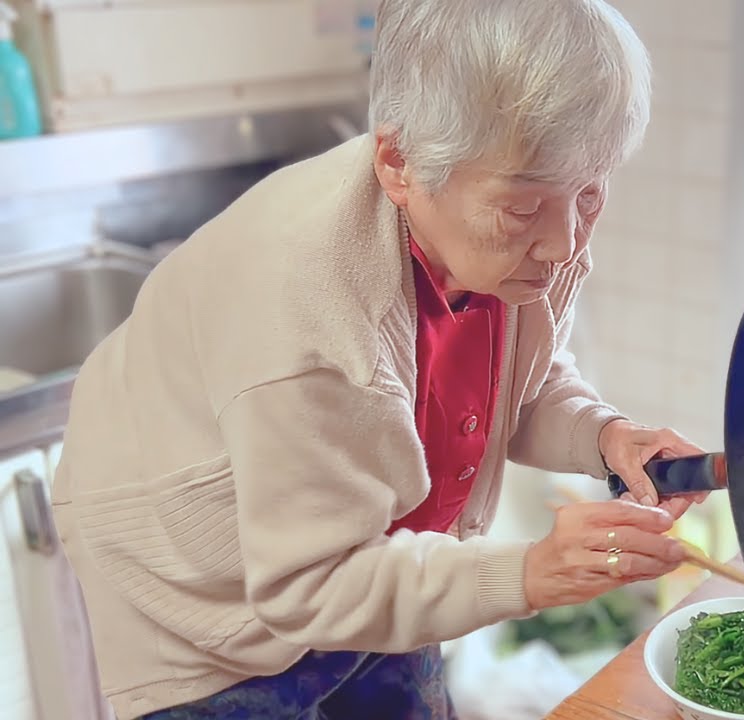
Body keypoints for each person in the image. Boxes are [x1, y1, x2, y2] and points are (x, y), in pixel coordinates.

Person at [50, 1, 705, 717]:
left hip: (368, 547)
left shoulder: (521, 235)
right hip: (206, 591)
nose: (565, 243)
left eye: (589, 191)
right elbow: (310, 586)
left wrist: (607, 438)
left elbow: (522, 380)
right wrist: (530, 572)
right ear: (399, 164)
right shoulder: (304, 310)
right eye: (522, 210)